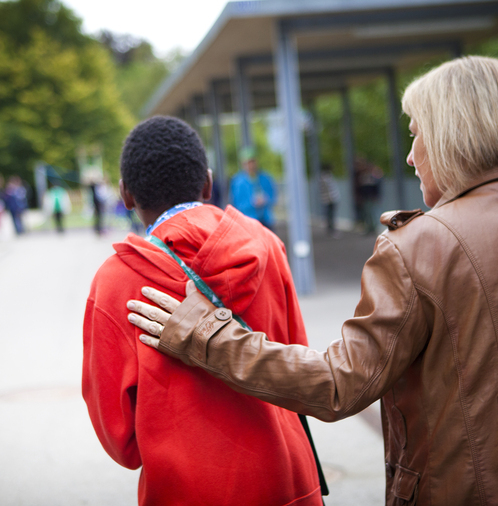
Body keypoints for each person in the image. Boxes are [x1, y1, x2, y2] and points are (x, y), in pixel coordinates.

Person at [127, 57, 498, 505]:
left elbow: (339, 385)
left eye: (416, 135)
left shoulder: (419, 245)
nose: (410, 156)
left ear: (453, 134)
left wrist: (209, 336)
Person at [82, 116, 323, 505]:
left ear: (126, 195)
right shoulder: (267, 246)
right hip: (287, 479)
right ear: (208, 183)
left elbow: (119, 437)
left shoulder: (116, 282)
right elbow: (296, 361)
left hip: (185, 489)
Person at [230, 146, 276, 229]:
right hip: (249, 221)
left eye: (252, 162)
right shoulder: (238, 182)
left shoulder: (265, 178)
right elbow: (237, 203)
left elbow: (272, 196)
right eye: (247, 163)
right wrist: (252, 203)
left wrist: (265, 200)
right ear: (243, 164)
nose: (250, 165)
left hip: (266, 220)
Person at [354, 156, 383, 233]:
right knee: (367, 212)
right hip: (365, 196)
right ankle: (370, 227)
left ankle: (373, 227)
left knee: (371, 212)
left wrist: (375, 195)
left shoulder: (372, 175)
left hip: (370, 196)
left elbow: (376, 185)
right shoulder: (361, 175)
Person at [319, 163, 341, 237]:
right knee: (331, 215)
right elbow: (330, 189)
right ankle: (332, 230)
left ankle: (330, 229)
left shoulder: (322, 177)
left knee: (329, 215)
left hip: (327, 199)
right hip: (330, 199)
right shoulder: (327, 177)